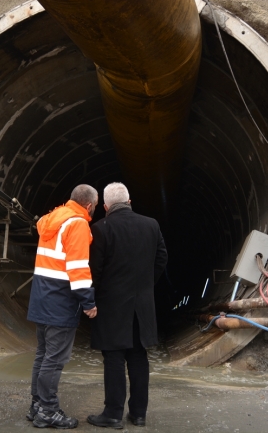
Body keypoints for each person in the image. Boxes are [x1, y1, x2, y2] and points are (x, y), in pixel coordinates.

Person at [86, 182, 168, 429]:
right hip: (141, 305)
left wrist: (93, 296)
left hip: (111, 306)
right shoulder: (151, 225)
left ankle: (113, 414)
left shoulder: (100, 228)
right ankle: (139, 414)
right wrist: (145, 285)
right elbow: (162, 257)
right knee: (138, 356)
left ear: (106, 206)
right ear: (129, 202)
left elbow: (95, 269)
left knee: (113, 358)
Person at [26, 184, 99, 429]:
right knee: (54, 359)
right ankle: (48, 411)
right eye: (94, 208)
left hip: (41, 296)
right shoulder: (77, 223)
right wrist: (88, 302)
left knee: (42, 354)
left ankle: (37, 405)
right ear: (89, 205)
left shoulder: (52, 219)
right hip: (60, 301)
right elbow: (78, 268)